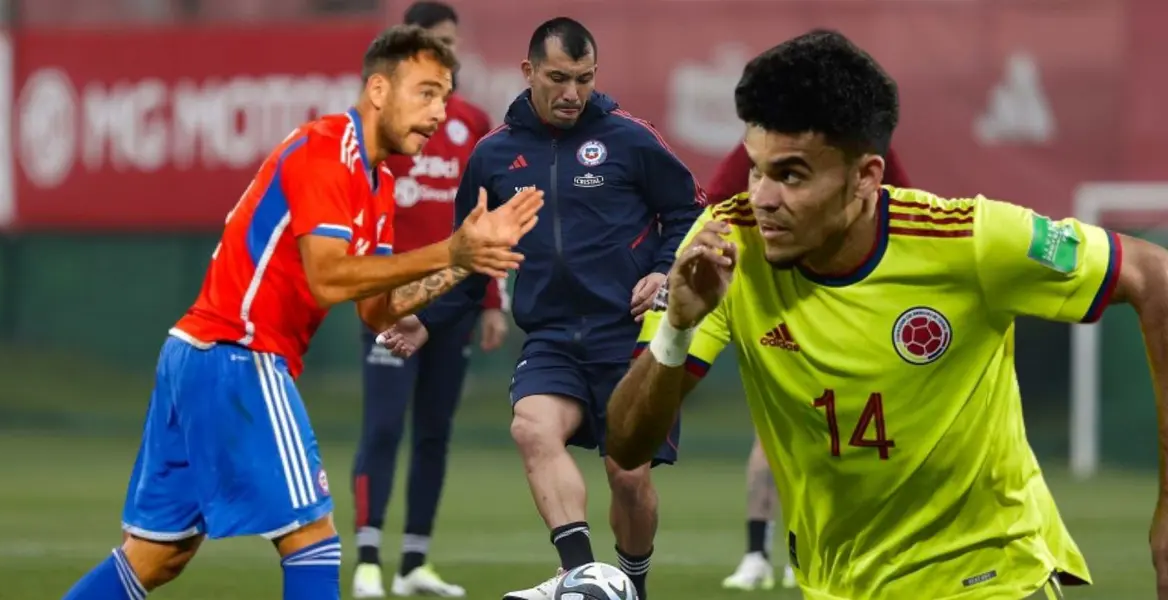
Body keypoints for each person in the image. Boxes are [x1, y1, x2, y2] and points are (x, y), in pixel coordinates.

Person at [607, 28, 1168, 600]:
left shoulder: (967, 241)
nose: (763, 197)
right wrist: (676, 327)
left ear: (866, 178)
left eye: (792, 175)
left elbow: (1156, 277)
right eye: (756, 169)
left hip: (988, 578)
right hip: (837, 584)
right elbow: (627, 446)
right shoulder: (727, 247)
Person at [60, 25, 544, 600]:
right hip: (238, 354)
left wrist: (463, 266)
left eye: (445, 94)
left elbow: (375, 311)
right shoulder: (327, 149)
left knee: (156, 558)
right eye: (425, 92)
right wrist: (450, 249)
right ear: (379, 90)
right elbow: (329, 274)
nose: (439, 111)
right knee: (313, 537)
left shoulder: (378, 182)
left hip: (199, 357)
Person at [380, 17, 705, 600]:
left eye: (584, 79)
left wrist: (663, 269)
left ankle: (631, 586)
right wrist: (425, 319)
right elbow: (470, 257)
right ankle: (582, 578)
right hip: (552, 337)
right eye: (558, 77)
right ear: (529, 72)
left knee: (627, 476)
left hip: (628, 340)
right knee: (531, 427)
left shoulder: (630, 138)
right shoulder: (494, 156)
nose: (572, 93)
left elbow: (688, 213)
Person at [351, 4, 507, 598]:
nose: (450, 55)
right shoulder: (381, 122)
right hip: (391, 303)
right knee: (384, 426)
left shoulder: (473, 122)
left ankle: (414, 561)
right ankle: (368, 557)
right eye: (438, 43)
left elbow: (483, 220)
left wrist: (491, 300)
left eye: (453, 44)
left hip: (452, 306)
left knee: (435, 431)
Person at [707, 139, 911, 592]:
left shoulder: (866, 139)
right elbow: (714, 206)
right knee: (775, 434)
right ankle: (757, 554)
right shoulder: (758, 145)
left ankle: (841, 548)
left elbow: (900, 209)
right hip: (783, 303)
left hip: (854, 310)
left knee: (855, 437)